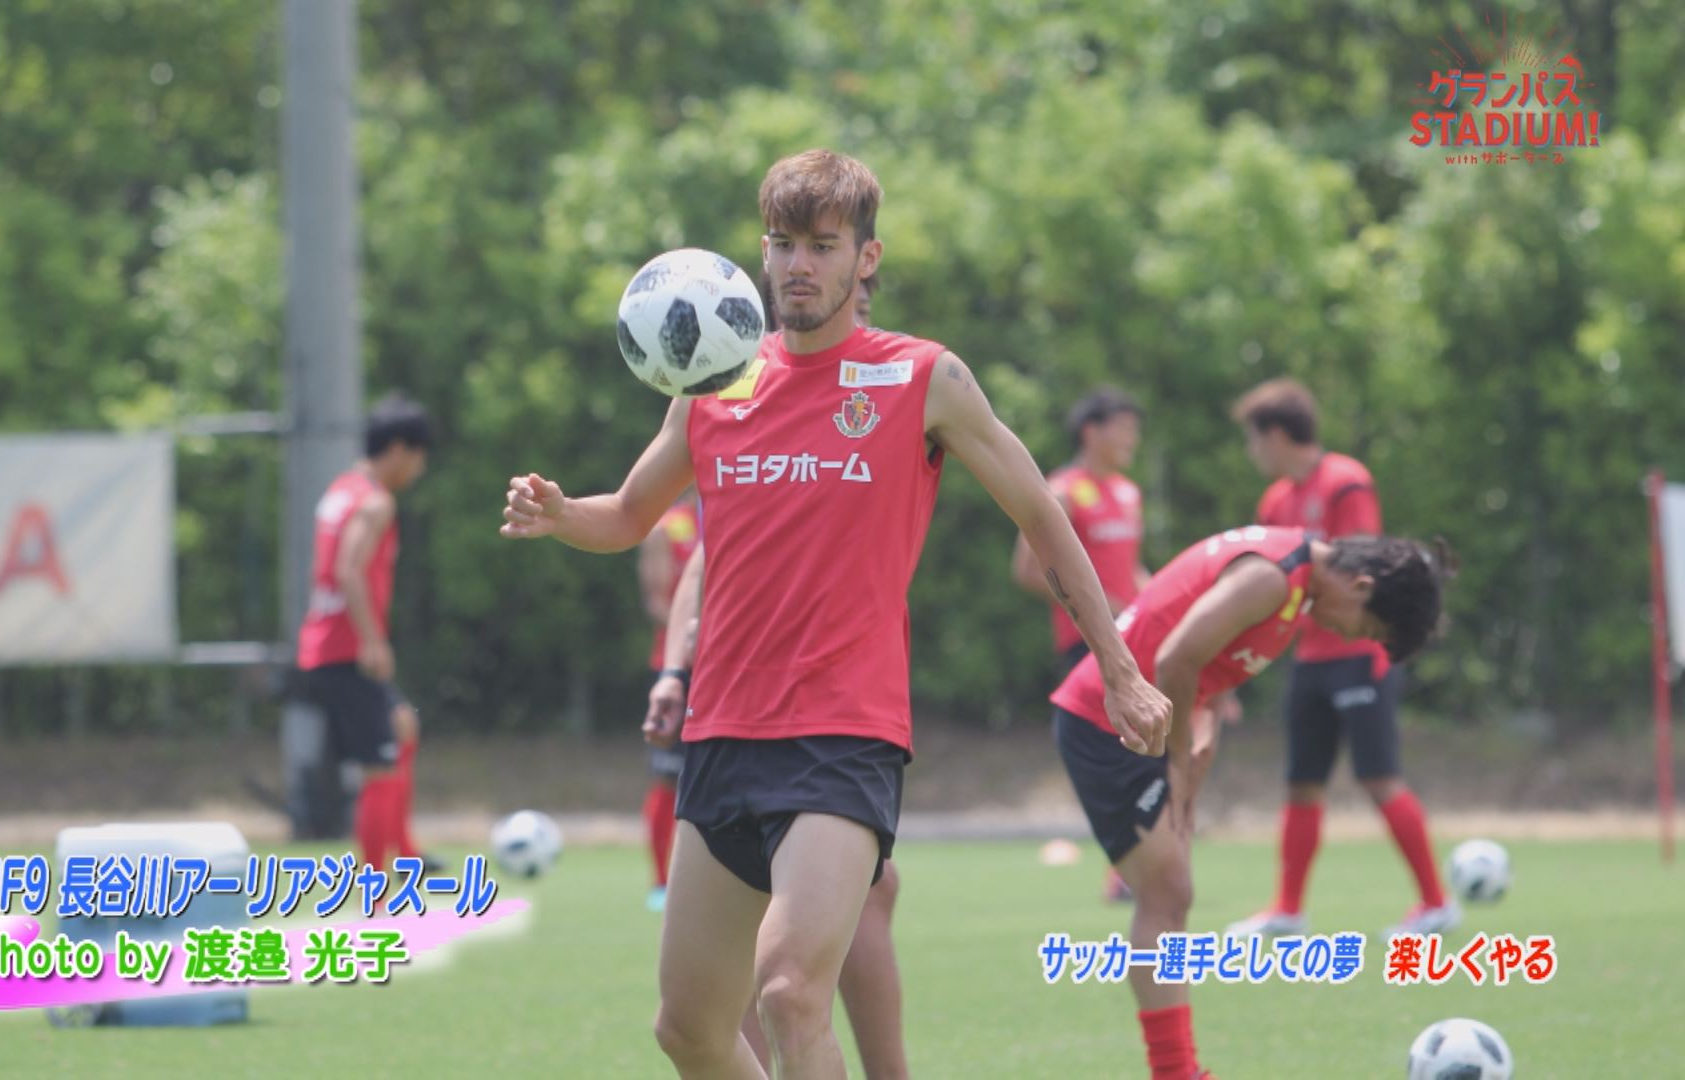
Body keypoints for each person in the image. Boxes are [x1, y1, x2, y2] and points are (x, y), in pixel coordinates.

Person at [503, 149, 1170, 1080]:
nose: (798, 265)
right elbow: (626, 515)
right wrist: (560, 514)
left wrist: (1122, 670)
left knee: (787, 992)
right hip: (723, 731)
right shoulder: (718, 381)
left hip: (842, 735)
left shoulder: (922, 377)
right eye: (783, 244)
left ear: (867, 257)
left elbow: (1041, 516)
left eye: (823, 245)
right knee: (689, 1029)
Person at [1051, 525, 1450, 1079]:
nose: (1349, 636)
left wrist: (1207, 723)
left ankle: (1178, 1070)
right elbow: (1176, 657)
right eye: (1368, 629)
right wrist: (1179, 761)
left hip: (1135, 723)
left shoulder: (1295, 582)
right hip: (1107, 722)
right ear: (1361, 586)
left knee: (1170, 894)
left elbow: (1209, 657)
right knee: (1167, 893)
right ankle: (1177, 1072)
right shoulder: (1273, 577)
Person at [646, 275, 909, 1080]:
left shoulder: (897, 390)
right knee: (702, 1018)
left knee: (811, 966)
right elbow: (707, 561)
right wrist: (675, 667)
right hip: (735, 720)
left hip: (845, 718)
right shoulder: (736, 395)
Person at [1222, 379, 1458, 940]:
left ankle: (1435, 903)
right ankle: (1288, 909)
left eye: (1254, 439)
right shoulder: (1275, 500)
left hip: (1357, 654)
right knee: (1302, 782)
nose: (1253, 452)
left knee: (1379, 776)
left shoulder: (1345, 480)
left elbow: (1362, 571)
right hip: (1307, 656)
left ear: (1277, 435)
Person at [1012, 387, 1152, 904]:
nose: (1132, 438)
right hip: (1088, 644)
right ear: (1091, 432)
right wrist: (1099, 608)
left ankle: (1138, 866)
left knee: (1146, 752)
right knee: (1117, 756)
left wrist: (1156, 603)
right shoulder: (1063, 490)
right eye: (1123, 427)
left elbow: (1132, 568)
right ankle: (1126, 869)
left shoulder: (1129, 492)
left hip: (1135, 640)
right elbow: (1027, 569)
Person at [293, 395, 440, 876]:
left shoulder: (340, 491)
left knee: (402, 727)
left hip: (326, 643)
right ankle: (375, 889)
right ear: (397, 449)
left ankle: (407, 855)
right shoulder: (375, 502)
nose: (418, 469)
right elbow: (348, 570)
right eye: (417, 457)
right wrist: (372, 641)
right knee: (380, 765)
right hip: (346, 650)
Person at [637, 489, 701, 913]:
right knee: (668, 777)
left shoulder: (744, 511)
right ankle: (661, 883)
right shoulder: (669, 527)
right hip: (677, 667)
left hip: (729, 667)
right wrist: (698, 632)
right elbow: (658, 602)